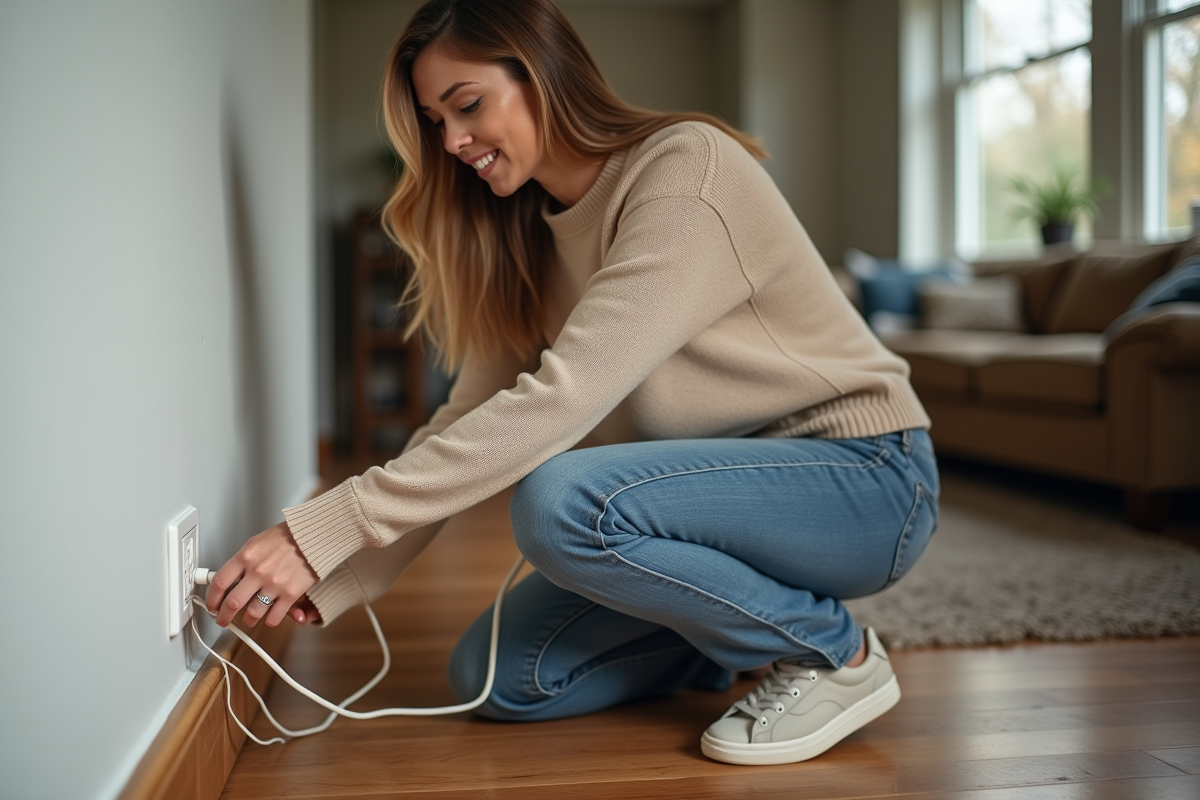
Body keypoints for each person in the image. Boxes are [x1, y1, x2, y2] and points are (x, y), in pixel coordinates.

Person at [205, 0, 939, 766]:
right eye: (434, 121)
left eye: (467, 105)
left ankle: (835, 654)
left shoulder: (685, 168)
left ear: (542, 72)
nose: (452, 141)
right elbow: (465, 420)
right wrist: (331, 571)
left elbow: (565, 398)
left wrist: (322, 528)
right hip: (710, 512)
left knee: (562, 501)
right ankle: (737, 636)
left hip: (866, 478)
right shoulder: (523, 231)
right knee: (504, 678)